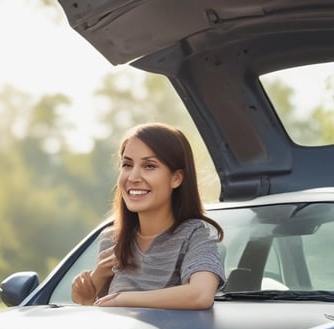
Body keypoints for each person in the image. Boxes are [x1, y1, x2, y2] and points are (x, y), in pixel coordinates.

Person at [72, 122, 225, 309]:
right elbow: (102, 314)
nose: (133, 177)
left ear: (176, 178)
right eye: (127, 164)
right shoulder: (111, 240)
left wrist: (123, 299)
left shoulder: (196, 235)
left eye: (149, 166)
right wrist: (88, 297)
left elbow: (200, 295)